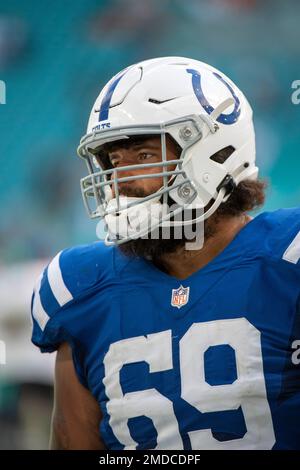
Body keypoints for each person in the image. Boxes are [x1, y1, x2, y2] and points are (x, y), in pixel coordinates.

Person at [31, 57, 300, 450]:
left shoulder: (288, 260)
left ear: (215, 153)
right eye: (112, 162)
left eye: (142, 156)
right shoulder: (78, 287)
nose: (121, 182)